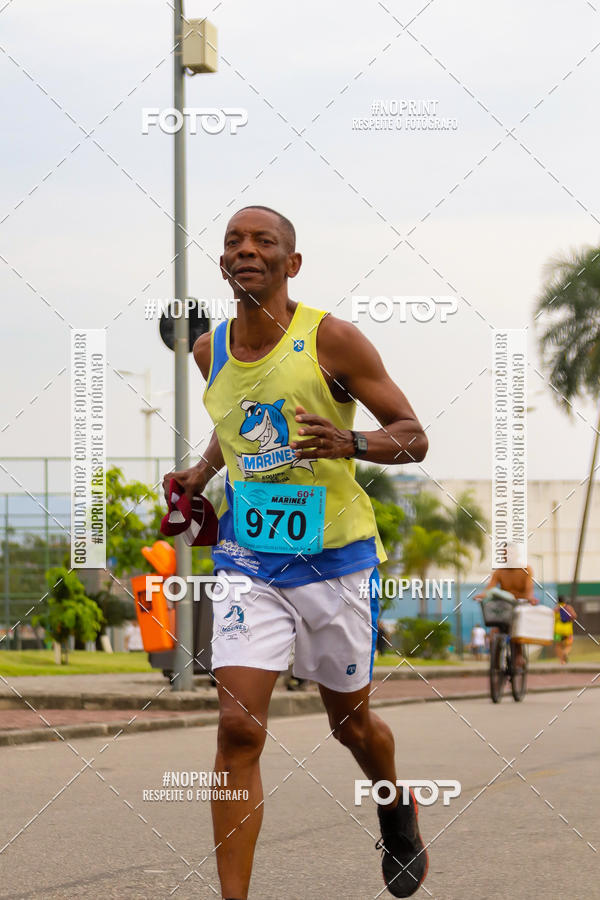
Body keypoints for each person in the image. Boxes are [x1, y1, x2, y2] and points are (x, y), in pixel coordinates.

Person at [163, 206, 429, 899]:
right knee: (236, 731)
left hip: (336, 562)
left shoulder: (333, 340)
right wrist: (202, 473)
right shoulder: (207, 352)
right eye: (233, 243)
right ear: (222, 264)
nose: (246, 251)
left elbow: (412, 434)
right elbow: (237, 421)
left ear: (292, 263)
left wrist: (352, 442)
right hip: (250, 562)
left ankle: (395, 805)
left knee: (352, 725)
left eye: (264, 242)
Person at [474, 548, 537, 668]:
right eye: (505, 554)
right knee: (495, 631)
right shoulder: (499, 571)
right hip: (505, 605)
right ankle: (495, 662)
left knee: (517, 630)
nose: (507, 556)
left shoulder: (526, 569)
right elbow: (490, 587)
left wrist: (530, 598)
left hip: (521, 604)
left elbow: (529, 589)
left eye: (510, 553)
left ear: (517, 555)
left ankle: (519, 655)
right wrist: (482, 595)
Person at [554, 595, 577, 664]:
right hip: (567, 630)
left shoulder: (555, 609)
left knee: (558, 645)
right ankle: (565, 653)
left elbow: (552, 618)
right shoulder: (568, 608)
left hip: (557, 630)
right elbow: (574, 616)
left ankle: (562, 661)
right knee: (568, 645)